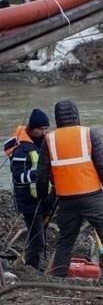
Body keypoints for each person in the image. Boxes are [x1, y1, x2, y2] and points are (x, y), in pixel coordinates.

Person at [36, 100, 103, 289]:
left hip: (66, 200)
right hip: (92, 197)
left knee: (65, 241)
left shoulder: (49, 140)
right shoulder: (89, 134)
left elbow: (42, 175)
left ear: (57, 118)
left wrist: (44, 200)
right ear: (76, 115)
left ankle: (58, 281)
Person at [4, 108, 56, 270]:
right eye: (41, 129)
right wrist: (38, 173)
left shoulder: (43, 143)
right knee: (37, 239)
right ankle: (32, 269)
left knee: (42, 234)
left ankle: (37, 265)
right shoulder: (21, 149)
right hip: (29, 202)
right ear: (32, 128)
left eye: (46, 128)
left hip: (45, 198)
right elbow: (18, 177)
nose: (44, 132)